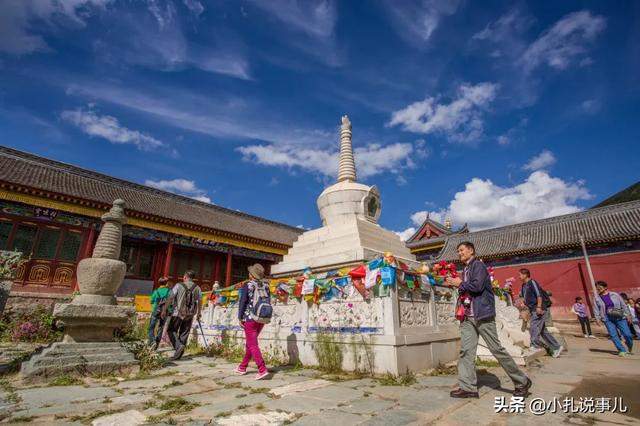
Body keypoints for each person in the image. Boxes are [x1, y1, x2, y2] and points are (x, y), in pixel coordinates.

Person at [445, 242, 531, 398]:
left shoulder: (478, 265)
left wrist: (460, 283)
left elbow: (477, 287)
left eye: (462, 250)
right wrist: (457, 284)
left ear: (471, 251)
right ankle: (468, 387)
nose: (459, 253)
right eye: (458, 251)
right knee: (466, 352)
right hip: (467, 316)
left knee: (496, 349)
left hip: (482, 315)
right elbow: (467, 288)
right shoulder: (465, 269)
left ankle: (522, 381)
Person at [234, 263, 270, 380]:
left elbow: (243, 302)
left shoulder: (248, 285)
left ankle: (262, 369)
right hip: (262, 317)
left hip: (250, 318)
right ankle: (242, 367)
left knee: (252, 344)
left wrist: (240, 317)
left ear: (251, 275)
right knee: (251, 343)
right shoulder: (266, 285)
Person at [519, 269, 563, 357]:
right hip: (532, 309)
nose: (519, 276)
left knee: (534, 325)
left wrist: (539, 306)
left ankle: (535, 345)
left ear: (525, 275)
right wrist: (523, 304)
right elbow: (524, 297)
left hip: (539, 308)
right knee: (543, 331)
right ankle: (556, 347)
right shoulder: (524, 285)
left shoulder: (532, 282)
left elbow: (538, 295)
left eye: (520, 274)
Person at [162, 270, 202, 361]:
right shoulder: (197, 288)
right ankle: (178, 355)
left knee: (171, 330)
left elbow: (170, 297)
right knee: (184, 332)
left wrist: (164, 309)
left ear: (185, 277)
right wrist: (199, 313)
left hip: (178, 313)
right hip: (190, 314)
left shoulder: (178, 285)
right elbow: (200, 301)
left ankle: (178, 346)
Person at [593, 281, 633, 356]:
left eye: (600, 287)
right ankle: (622, 350)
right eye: (597, 287)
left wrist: (628, 315)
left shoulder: (615, 294)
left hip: (619, 316)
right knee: (613, 335)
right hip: (607, 318)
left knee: (627, 334)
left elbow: (623, 305)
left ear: (605, 287)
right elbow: (596, 309)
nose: (598, 288)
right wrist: (597, 319)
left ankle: (629, 344)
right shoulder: (596, 298)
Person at [148, 277, 171, 348]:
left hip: (156, 310)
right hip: (165, 311)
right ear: (166, 283)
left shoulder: (156, 291)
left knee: (151, 327)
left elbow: (151, 301)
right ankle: (157, 343)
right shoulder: (169, 291)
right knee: (161, 327)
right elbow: (171, 302)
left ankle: (152, 341)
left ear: (159, 283)